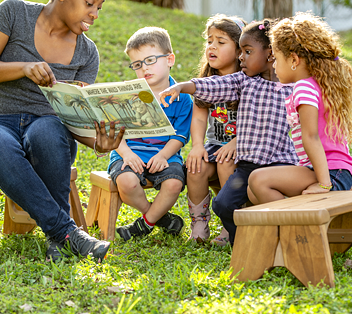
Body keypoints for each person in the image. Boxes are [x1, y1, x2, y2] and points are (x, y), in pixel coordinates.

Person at [0, 0, 125, 262]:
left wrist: (99, 144)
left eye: (99, 7)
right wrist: (23, 68)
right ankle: (66, 233)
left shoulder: (86, 52)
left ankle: (61, 237)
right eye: (89, 3)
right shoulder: (14, 13)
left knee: (48, 129)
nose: (94, 13)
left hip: (49, 132)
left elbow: (72, 115)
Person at [159, 20, 298, 245]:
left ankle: (279, 237)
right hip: (247, 165)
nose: (241, 57)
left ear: (270, 54)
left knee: (268, 200)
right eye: (241, 52)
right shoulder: (244, 81)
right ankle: (242, 242)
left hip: (279, 164)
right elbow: (212, 86)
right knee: (222, 205)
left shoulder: (292, 87)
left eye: (248, 52)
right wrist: (181, 87)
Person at [248, 12, 352, 204]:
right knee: (253, 190)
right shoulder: (319, 83)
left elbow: (311, 136)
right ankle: (288, 226)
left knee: (257, 180)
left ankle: (295, 229)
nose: (274, 65)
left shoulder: (304, 87)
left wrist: (324, 183)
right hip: (330, 170)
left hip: (331, 172)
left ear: (294, 60)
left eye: (276, 58)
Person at [110, 27, 193, 241]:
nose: (143, 68)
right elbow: (114, 133)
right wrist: (126, 154)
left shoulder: (182, 99)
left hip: (164, 154)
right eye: (137, 64)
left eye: (150, 60)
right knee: (127, 182)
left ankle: (144, 224)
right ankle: (161, 218)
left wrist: (163, 156)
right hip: (129, 153)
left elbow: (180, 137)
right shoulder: (127, 94)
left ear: (170, 59)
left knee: (174, 183)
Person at [186, 14, 246, 246]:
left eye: (221, 42)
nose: (212, 46)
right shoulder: (206, 80)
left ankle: (228, 224)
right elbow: (200, 117)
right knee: (195, 167)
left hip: (242, 147)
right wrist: (198, 146)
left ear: (240, 50)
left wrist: (236, 142)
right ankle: (199, 223)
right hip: (214, 145)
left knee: (225, 161)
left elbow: (256, 121)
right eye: (210, 40)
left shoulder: (248, 81)